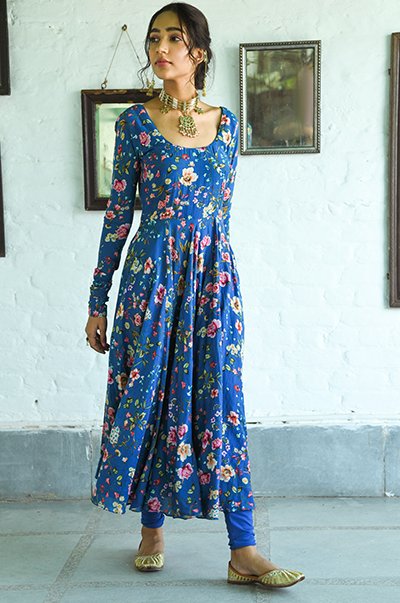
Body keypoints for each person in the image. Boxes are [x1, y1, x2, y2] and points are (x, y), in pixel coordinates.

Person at [85, 2, 304, 589]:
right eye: (153, 38)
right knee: (151, 398)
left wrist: (221, 281)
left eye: (173, 39)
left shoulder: (226, 125)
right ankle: (151, 530)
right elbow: (118, 217)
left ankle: (243, 550)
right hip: (150, 283)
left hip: (211, 282)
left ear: (198, 53)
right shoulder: (134, 125)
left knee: (221, 405)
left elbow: (219, 216)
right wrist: (97, 300)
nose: (160, 48)